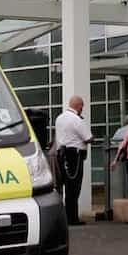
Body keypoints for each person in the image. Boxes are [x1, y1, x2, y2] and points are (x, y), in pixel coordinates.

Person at [54, 95, 93, 226]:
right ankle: (72, 218)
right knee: (74, 187)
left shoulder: (59, 118)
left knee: (65, 186)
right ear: (79, 106)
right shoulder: (76, 120)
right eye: (82, 106)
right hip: (74, 156)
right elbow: (88, 137)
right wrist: (92, 138)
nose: (82, 109)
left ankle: (66, 216)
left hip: (61, 154)